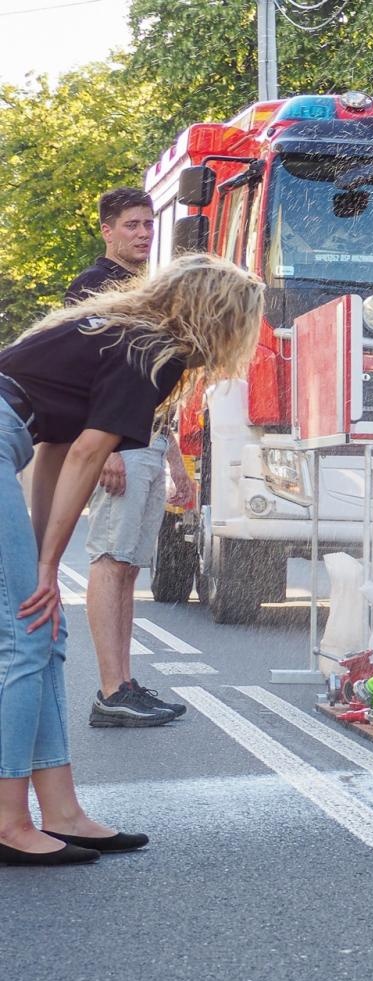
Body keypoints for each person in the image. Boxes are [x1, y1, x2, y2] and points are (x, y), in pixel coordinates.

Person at [0, 254, 264, 865]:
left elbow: (57, 445)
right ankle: (9, 822)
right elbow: (88, 453)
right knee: (24, 635)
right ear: (217, 318)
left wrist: (42, 555)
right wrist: (46, 568)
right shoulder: (152, 352)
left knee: (43, 631)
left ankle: (62, 812)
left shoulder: (113, 331)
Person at [69, 188, 194, 728]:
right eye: (131, 225)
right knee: (109, 560)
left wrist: (175, 460)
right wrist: (106, 449)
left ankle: (123, 683)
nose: (143, 233)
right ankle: (109, 689)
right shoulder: (93, 287)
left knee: (128, 568)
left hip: (150, 443)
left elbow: (150, 384)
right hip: (118, 446)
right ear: (107, 230)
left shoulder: (146, 288)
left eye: (148, 224)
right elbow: (82, 374)